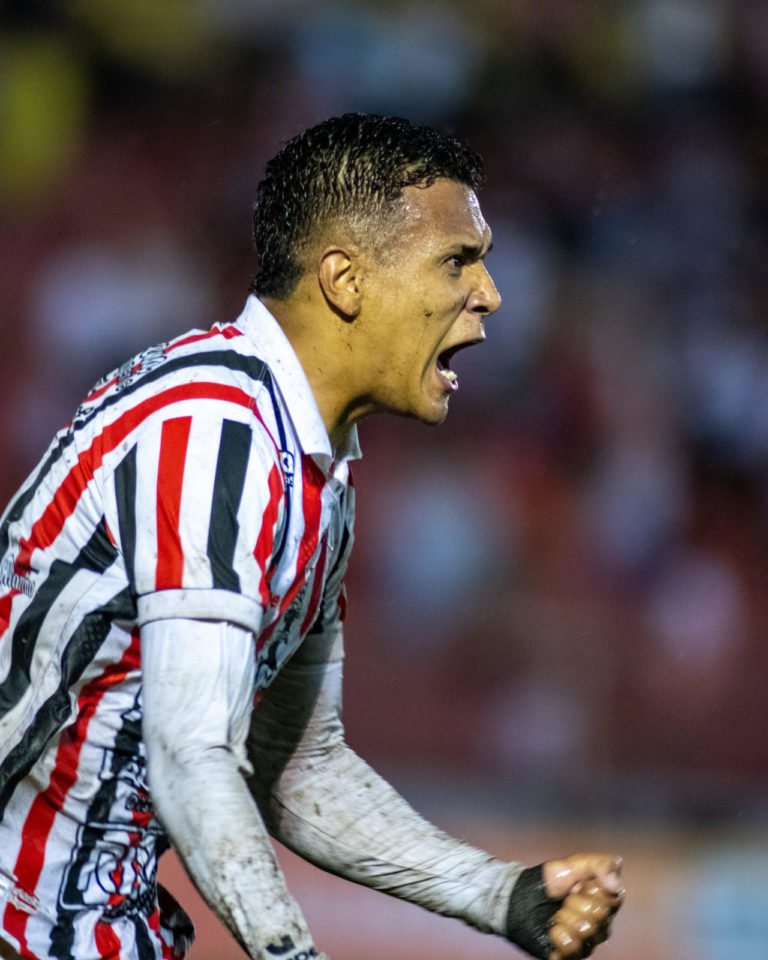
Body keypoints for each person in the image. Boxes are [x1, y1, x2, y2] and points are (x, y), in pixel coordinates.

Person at [0, 113, 623, 960]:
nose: (489, 294)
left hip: (89, 926)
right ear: (346, 279)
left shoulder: (311, 471)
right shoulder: (215, 432)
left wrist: (495, 893)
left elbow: (294, 764)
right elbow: (190, 755)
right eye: (456, 260)